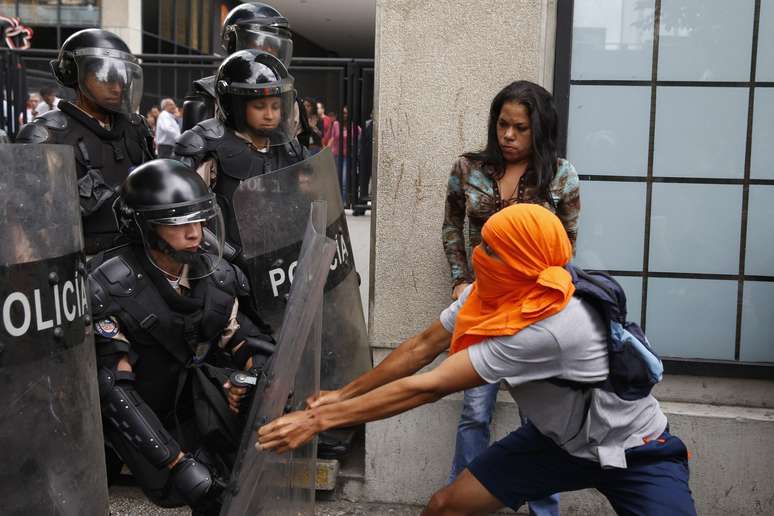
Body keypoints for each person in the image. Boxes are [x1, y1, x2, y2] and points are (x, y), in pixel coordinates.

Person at [257, 204, 697, 516]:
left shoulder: (551, 327)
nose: (477, 256)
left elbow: (429, 386)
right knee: (445, 507)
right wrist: (339, 396)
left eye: (491, 250)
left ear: (525, 262)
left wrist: (320, 422)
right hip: (553, 442)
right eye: (481, 244)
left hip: (635, 449)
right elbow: (420, 347)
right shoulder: (493, 291)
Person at [90, 158, 275, 516]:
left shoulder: (216, 274)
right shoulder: (110, 287)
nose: (195, 233)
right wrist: (175, 461)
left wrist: (249, 378)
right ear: (144, 227)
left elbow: (246, 341)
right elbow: (114, 389)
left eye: (200, 219)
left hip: (196, 403)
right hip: (138, 418)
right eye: (179, 223)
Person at [441, 80, 580, 515]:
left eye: (520, 128)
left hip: (536, 315)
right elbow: (451, 227)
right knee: (475, 412)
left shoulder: (560, 175)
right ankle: (460, 503)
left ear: (539, 130)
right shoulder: (468, 169)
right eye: (502, 125)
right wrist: (460, 279)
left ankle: (544, 510)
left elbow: (566, 247)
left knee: (537, 420)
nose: (508, 136)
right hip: (481, 309)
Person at [15, 28, 155, 255]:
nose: (117, 87)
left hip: (139, 257)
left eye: (121, 78)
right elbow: (26, 221)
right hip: (79, 264)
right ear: (73, 74)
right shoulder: (45, 136)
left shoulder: (135, 127)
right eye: (105, 77)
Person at [175, 49, 307, 261]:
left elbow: (315, 203)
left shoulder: (290, 149)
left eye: (276, 106)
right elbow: (186, 215)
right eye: (259, 106)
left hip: (283, 263)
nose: (270, 115)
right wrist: (231, 258)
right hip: (227, 267)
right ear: (235, 105)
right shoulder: (207, 147)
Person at [180, 1, 307, 137]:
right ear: (233, 43)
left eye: (273, 46)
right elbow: (192, 151)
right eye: (260, 44)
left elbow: (298, 152)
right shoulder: (209, 95)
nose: (268, 53)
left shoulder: (290, 101)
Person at [327, 105, 360, 202]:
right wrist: (327, 150)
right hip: (336, 155)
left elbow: (358, 138)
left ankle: (343, 202)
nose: (344, 115)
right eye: (343, 113)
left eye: (346, 113)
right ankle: (336, 201)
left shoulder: (354, 127)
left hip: (347, 156)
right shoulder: (336, 124)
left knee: (344, 179)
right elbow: (332, 138)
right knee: (336, 179)